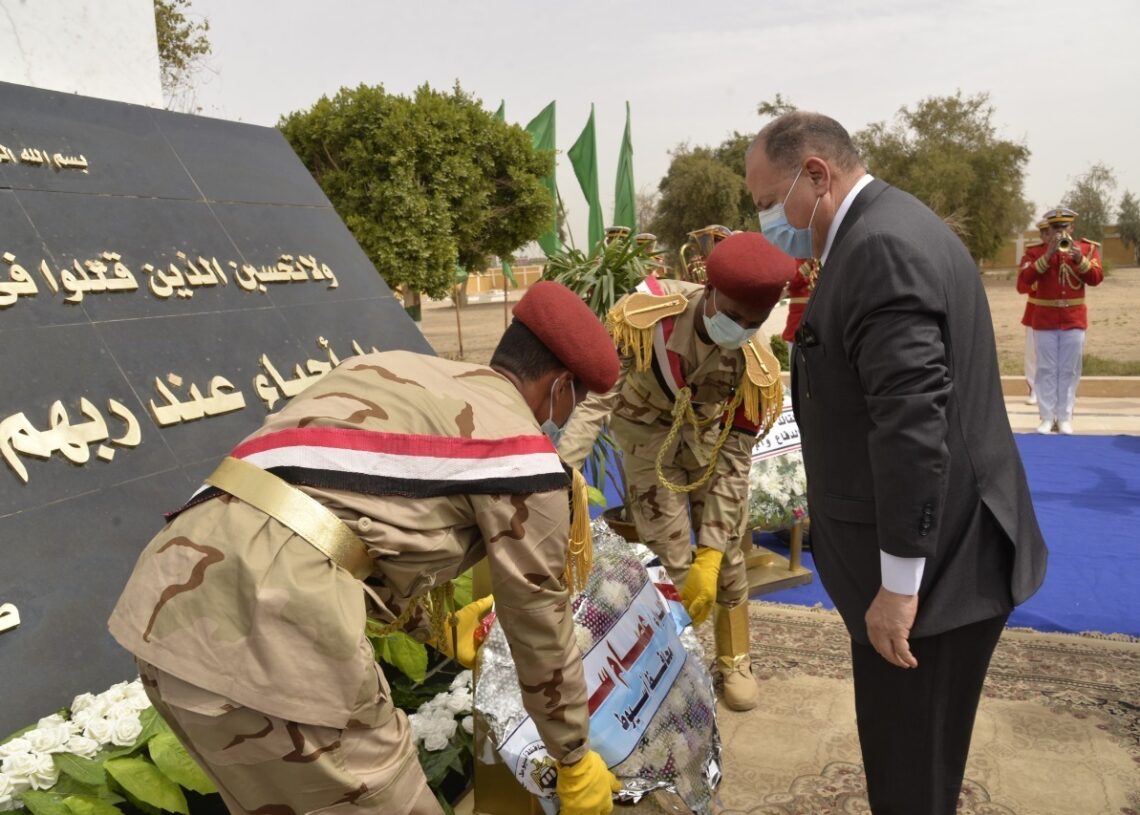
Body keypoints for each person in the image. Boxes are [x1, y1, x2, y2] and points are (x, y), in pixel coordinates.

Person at [108, 281, 623, 815]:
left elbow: (347, 518)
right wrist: (574, 756)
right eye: (575, 402)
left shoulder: (388, 369)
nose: (564, 418)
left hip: (163, 606)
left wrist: (437, 628)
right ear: (562, 386)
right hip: (276, 634)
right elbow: (539, 619)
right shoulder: (522, 455)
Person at [745, 112, 1047, 815]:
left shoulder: (878, 246)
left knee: (908, 774)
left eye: (767, 201)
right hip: (942, 556)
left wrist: (900, 585)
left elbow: (913, 426)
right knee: (922, 763)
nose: (765, 220)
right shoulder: (893, 224)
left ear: (815, 175)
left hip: (933, 576)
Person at [556, 231, 795, 713]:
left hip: (710, 449)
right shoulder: (646, 318)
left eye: (753, 323)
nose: (741, 330)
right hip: (646, 442)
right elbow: (600, 393)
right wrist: (565, 467)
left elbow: (734, 464)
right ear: (707, 290)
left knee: (724, 554)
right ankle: (672, 661)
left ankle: (735, 658)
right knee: (666, 557)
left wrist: (710, 551)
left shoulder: (755, 368)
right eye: (732, 317)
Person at [1017, 207, 1104, 434]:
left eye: (1064, 227)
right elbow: (1025, 279)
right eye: (1055, 227)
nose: (1060, 232)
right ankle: (1046, 417)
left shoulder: (1087, 248)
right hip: (1045, 319)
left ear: (1071, 228)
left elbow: (1096, 278)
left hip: (1073, 318)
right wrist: (1047, 255)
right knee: (1046, 369)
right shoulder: (1035, 252)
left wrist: (1079, 258)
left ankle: (1064, 417)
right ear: (1049, 229)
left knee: (1069, 370)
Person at [1016, 219, 1050, 405]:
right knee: (1032, 354)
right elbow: (1022, 286)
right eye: (1044, 232)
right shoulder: (1032, 255)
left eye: (1050, 231)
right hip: (1035, 310)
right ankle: (1034, 390)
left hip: (1059, 313)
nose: (1048, 236)